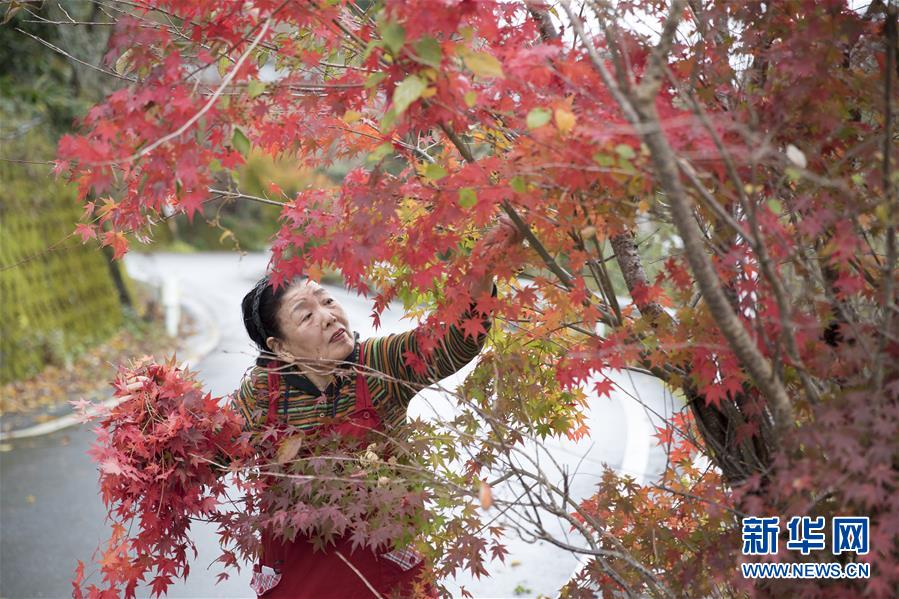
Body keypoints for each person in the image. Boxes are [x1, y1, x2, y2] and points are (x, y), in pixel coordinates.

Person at [231, 215, 524, 598]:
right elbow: (199, 452)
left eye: (327, 300)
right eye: (306, 315)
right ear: (280, 348)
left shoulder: (379, 364)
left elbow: (454, 342)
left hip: (388, 579)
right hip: (300, 584)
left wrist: (482, 272)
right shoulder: (259, 395)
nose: (328, 316)